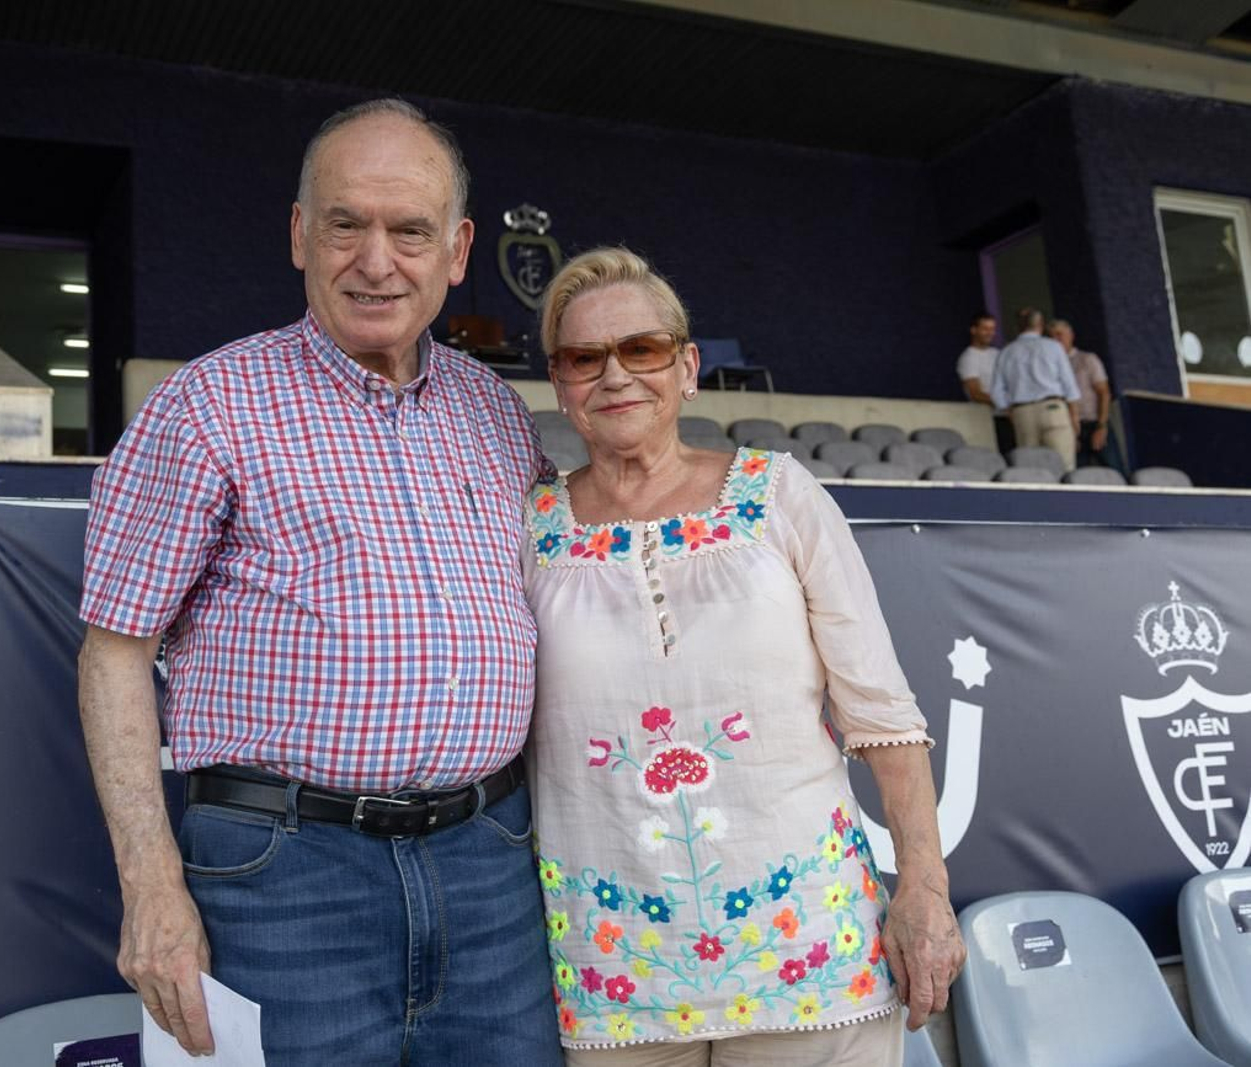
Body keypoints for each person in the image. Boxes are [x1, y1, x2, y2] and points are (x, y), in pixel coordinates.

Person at [78, 99, 560, 1065]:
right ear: (302, 234)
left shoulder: (499, 413)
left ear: (458, 249)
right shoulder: (208, 403)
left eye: (410, 230)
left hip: (494, 864)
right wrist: (150, 885)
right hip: (287, 873)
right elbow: (113, 653)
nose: (377, 260)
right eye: (348, 223)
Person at [524, 248, 965, 1065]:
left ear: (687, 366)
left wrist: (924, 888)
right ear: (560, 382)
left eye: (643, 350)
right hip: (612, 976)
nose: (616, 375)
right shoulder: (527, 527)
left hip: (811, 959)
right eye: (586, 358)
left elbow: (882, 715)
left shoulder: (781, 494)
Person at [989, 307, 1080, 472]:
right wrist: (1074, 415)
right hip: (1052, 408)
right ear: (1041, 325)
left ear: (1018, 327)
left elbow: (996, 391)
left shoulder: (1007, 352)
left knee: (1030, 468)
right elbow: (1069, 384)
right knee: (1064, 465)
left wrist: (1010, 411)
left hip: (1022, 412)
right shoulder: (1053, 347)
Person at [1048, 318, 1118, 469]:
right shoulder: (1049, 366)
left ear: (1071, 335)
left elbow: (1104, 393)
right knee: (1077, 472)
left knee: (1113, 468)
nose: (1056, 340)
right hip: (1069, 427)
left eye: (1060, 334)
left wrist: (1101, 425)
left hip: (1093, 422)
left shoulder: (1087, 359)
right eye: (1052, 336)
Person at [955, 311, 1012, 454]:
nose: (990, 333)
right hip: (991, 419)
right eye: (985, 329)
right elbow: (975, 393)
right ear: (974, 330)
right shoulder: (969, 357)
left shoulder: (997, 354)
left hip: (1008, 415)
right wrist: (1003, 404)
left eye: (992, 329)